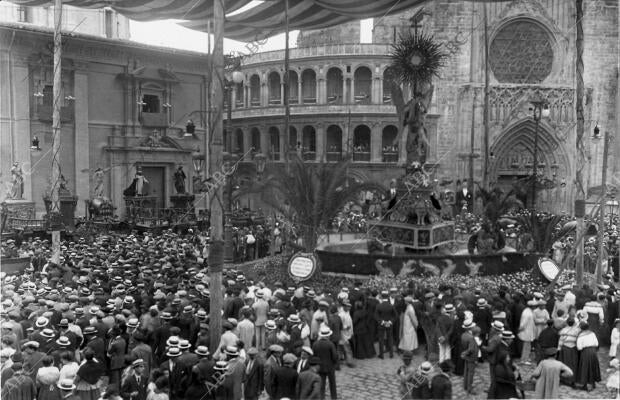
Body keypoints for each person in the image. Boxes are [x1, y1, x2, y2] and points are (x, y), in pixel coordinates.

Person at [312, 327, 338, 400]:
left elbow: (313, 356)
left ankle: (321, 397)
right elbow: (334, 356)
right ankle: (334, 397)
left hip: (320, 367)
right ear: (328, 335)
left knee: (321, 384)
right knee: (332, 383)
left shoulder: (315, 344)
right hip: (330, 367)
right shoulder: (330, 344)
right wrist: (335, 363)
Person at [575, 322, 601, 391]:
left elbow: (579, 347)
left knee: (585, 367)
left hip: (585, 352)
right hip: (593, 351)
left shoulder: (580, 336)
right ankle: (593, 383)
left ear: (581, 328)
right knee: (593, 366)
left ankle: (585, 384)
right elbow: (596, 343)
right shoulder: (592, 333)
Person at [375, 290, 397, 359]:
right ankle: (391, 354)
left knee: (381, 339)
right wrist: (390, 322)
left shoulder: (379, 306)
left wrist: (383, 322)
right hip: (389, 324)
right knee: (390, 339)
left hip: (381, 325)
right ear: (388, 296)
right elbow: (395, 315)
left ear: (381, 296)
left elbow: (376, 316)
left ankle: (381, 355)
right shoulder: (391, 306)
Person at [460, 319, 478, 395]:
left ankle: (465, 385)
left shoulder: (463, 335)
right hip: (471, 357)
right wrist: (465, 353)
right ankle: (469, 388)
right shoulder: (471, 337)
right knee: (470, 373)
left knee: (466, 371)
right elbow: (471, 349)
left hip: (466, 357)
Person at [518, 299, 537, 365]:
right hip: (526, 331)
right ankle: (524, 359)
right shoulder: (527, 313)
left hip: (529, 331)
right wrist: (520, 329)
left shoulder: (529, 311)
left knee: (528, 346)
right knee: (526, 346)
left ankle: (525, 358)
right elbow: (523, 323)